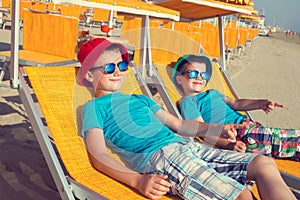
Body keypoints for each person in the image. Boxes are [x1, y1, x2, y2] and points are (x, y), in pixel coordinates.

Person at [77, 38, 296, 200]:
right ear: (88, 75)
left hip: (188, 147)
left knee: (263, 164)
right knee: (241, 195)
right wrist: (137, 180)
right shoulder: (93, 108)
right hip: (162, 158)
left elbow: (180, 124)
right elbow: (98, 154)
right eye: (108, 68)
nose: (118, 72)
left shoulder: (139, 100)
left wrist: (217, 127)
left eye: (122, 65)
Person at [172, 54, 299, 161]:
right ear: (179, 79)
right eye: (193, 73)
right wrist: (228, 145)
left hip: (251, 127)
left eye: (204, 75)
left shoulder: (213, 93)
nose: (199, 77)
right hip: (238, 135)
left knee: (289, 143)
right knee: (293, 141)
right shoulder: (188, 101)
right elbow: (201, 130)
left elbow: (237, 103)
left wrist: (260, 103)